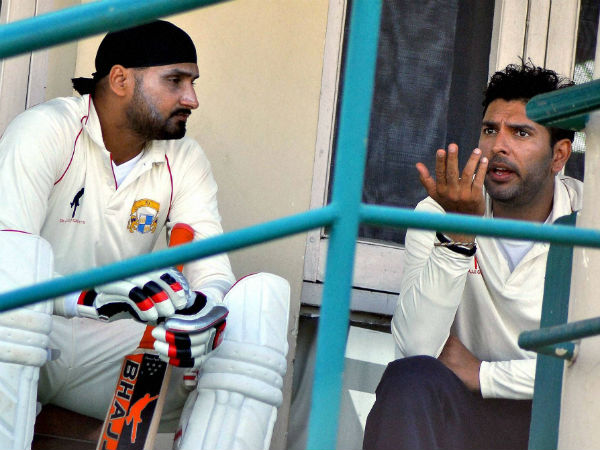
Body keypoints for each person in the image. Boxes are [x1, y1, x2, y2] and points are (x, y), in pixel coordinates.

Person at [0, 20, 290, 450]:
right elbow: (9, 265)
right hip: (31, 335)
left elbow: (213, 278)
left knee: (252, 319)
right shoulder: (45, 130)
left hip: (117, 351)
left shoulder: (184, 158)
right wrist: (98, 297)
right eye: (175, 80)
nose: (192, 98)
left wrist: (197, 319)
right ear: (120, 80)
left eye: (192, 82)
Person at [363, 62, 582, 450]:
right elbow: (416, 349)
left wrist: (483, 374)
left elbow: (590, 368)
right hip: (466, 415)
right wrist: (458, 237)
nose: (498, 146)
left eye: (521, 133)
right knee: (410, 380)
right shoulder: (439, 213)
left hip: (559, 421)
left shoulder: (590, 219)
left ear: (559, 155)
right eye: (490, 130)